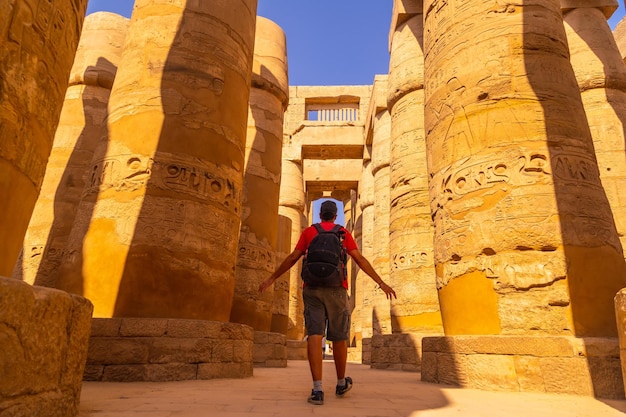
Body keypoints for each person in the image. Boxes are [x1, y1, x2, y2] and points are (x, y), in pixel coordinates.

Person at [258, 200, 397, 405]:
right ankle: (341, 383)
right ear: (335, 216)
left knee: (315, 334)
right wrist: (381, 282)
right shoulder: (343, 233)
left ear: (320, 215)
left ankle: (317, 389)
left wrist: (272, 277)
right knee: (339, 336)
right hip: (337, 289)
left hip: (311, 288)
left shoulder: (309, 233)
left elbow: (292, 258)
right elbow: (360, 259)